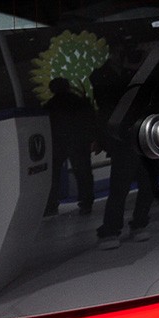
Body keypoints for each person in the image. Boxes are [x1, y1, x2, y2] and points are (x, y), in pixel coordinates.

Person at [44, 77, 98, 216]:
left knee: (53, 175)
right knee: (83, 173)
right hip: (79, 142)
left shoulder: (50, 106)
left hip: (58, 144)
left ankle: (51, 204)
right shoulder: (78, 101)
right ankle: (86, 202)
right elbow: (90, 120)